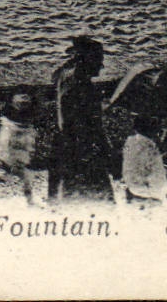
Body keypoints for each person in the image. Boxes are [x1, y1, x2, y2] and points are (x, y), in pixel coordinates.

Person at [48, 35, 113, 204]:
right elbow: (94, 126)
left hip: (67, 147)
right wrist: (108, 152)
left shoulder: (64, 76)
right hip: (84, 149)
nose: (101, 66)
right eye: (98, 60)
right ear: (87, 60)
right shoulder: (84, 88)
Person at [119, 115, 167, 207]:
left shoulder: (131, 142)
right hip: (147, 190)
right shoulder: (147, 146)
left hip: (136, 186)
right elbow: (155, 172)